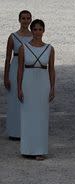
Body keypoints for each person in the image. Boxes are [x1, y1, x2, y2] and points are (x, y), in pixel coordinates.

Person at [17, 19, 56, 160]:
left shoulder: (50, 49)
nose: (37, 32)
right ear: (31, 31)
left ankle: (39, 149)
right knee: (28, 116)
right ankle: (27, 149)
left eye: (40, 29)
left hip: (43, 84)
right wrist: (19, 88)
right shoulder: (23, 48)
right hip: (28, 83)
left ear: (43, 31)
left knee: (41, 117)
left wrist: (52, 88)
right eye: (35, 29)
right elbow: (20, 69)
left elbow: (51, 69)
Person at [3, 10, 32, 140]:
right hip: (15, 67)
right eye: (23, 18)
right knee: (15, 99)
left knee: (27, 99)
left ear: (30, 20)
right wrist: (6, 76)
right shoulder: (13, 37)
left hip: (29, 68)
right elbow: (7, 57)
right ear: (19, 20)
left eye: (28, 18)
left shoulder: (34, 36)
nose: (25, 21)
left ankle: (27, 129)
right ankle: (14, 131)